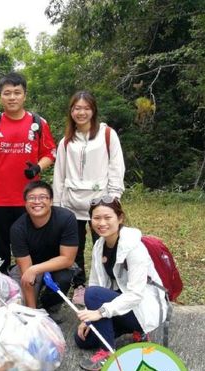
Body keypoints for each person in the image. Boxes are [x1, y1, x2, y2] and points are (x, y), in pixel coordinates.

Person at [0, 72, 57, 274]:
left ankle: (33, 281)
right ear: (0, 96)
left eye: (17, 93)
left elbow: (50, 153)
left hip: (30, 199)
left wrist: (38, 167)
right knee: (1, 247)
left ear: (25, 95)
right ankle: (2, 282)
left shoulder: (38, 123)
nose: (12, 97)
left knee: (32, 244)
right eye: (7, 93)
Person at [75, 196, 168, 371]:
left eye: (107, 217)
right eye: (96, 218)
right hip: (121, 305)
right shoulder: (99, 245)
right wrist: (89, 315)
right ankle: (127, 330)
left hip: (140, 307)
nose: (101, 223)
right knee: (82, 340)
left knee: (93, 294)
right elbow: (96, 281)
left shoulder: (134, 248)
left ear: (120, 218)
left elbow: (135, 295)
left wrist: (100, 312)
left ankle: (108, 353)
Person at [53, 91, 125, 305]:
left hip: (100, 203)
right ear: (71, 111)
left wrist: (114, 197)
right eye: (77, 108)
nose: (81, 112)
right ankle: (80, 285)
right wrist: (57, 204)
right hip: (71, 204)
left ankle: (107, 284)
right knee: (73, 247)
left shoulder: (107, 135)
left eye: (86, 108)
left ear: (93, 110)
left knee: (105, 244)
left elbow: (116, 166)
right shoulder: (66, 141)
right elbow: (59, 173)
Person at [9, 181, 79, 322]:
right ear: (25, 203)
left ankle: (50, 306)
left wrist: (35, 269)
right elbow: (26, 270)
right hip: (29, 267)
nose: (37, 202)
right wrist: (32, 312)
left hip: (57, 265)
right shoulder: (18, 229)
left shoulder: (66, 218)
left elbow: (67, 259)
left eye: (43, 197)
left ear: (51, 201)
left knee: (63, 278)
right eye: (32, 198)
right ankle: (37, 308)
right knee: (19, 308)